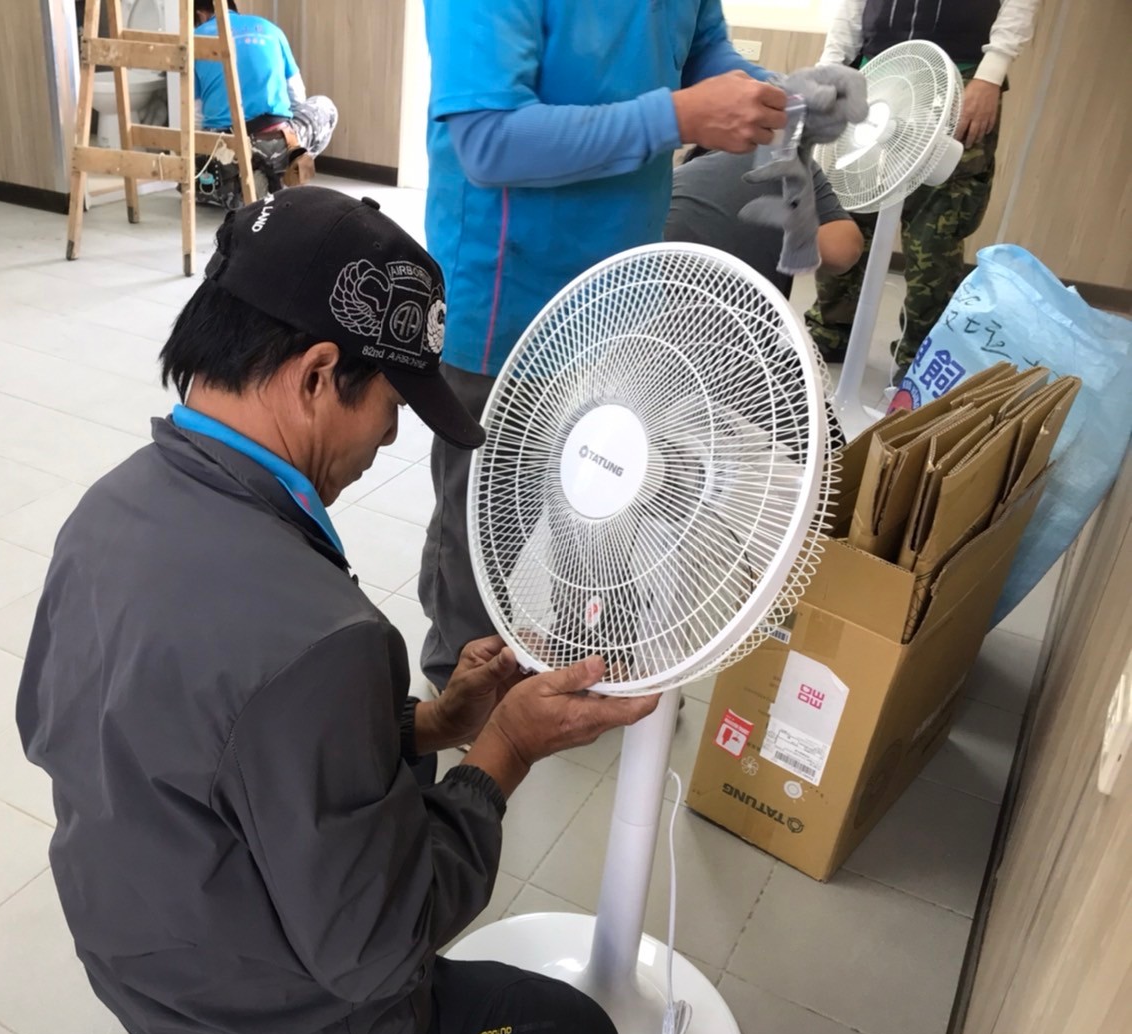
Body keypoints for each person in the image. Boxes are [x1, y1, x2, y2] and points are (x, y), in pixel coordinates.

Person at [19, 187, 659, 1034]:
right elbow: (380, 949)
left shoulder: (103, 512)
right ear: (318, 376)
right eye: (391, 401)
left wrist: (432, 724)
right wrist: (504, 750)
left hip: (147, 977)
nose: (391, 435)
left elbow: (200, 742)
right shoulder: (322, 636)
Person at [417, 0, 793, 692]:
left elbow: (702, 48)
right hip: (508, 294)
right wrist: (675, 118)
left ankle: (588, 650)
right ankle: (463, 684)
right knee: (485, 517)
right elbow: (487, 140)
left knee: (607, 486)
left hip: (621, 290)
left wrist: (770, 97)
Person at [806, 0, 1040, 383]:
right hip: (877, 70)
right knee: (845, 208)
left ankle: (920, 355)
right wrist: (830, 70)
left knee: (936, 229)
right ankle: (830, 332)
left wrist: (991, 74)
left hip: (960, 78)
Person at [665, 146, 864, 298]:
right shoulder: (788, 163)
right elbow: (841, 252)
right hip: (744, 333)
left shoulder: (672, 181)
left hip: (657, 329)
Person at [193, 0, 337, 159]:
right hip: (274, 144)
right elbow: (297, 97)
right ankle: (291, 166)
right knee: (325, 106)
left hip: (223, 152)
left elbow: (196, 115)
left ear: (201, 15)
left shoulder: (194, 39)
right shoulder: (271, 29)